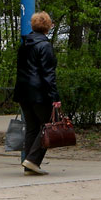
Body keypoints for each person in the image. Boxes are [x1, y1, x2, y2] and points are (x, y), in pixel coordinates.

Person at [13, 11, 60, 176]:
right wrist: (55, 97)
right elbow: (48, 74)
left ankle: (29, 165)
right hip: (40, 93)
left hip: (24, 92)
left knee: (32, 128)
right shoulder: (45, 46)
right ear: (48, 27)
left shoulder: (25, 44)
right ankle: (32, 160)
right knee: (47, 127)